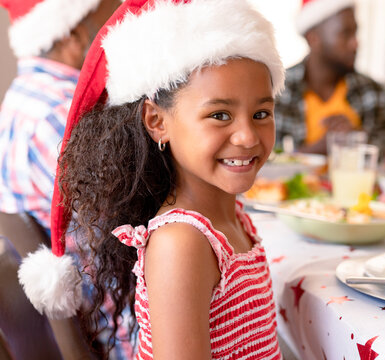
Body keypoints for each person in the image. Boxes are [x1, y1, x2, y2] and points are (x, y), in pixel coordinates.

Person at [18, 0, 285, 358]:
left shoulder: (231, 218)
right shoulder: (182, 242)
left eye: (261, 113)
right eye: (220, 114)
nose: (248, 137)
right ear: (157, 122)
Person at [0, 0, 120, 237]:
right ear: (74, 35)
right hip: (99, 268)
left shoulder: (25, 94)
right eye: (113, 18)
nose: (122, 28)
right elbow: (121, 217)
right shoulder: (61, 111)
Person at [275, 0, 385, 155]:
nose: (355, 43)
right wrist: (319, 149)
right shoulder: (278, 89)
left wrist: (355, 139)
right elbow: (269, 160)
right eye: (345, 33)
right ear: (313, 38)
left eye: (355, 32)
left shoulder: (373, 92)